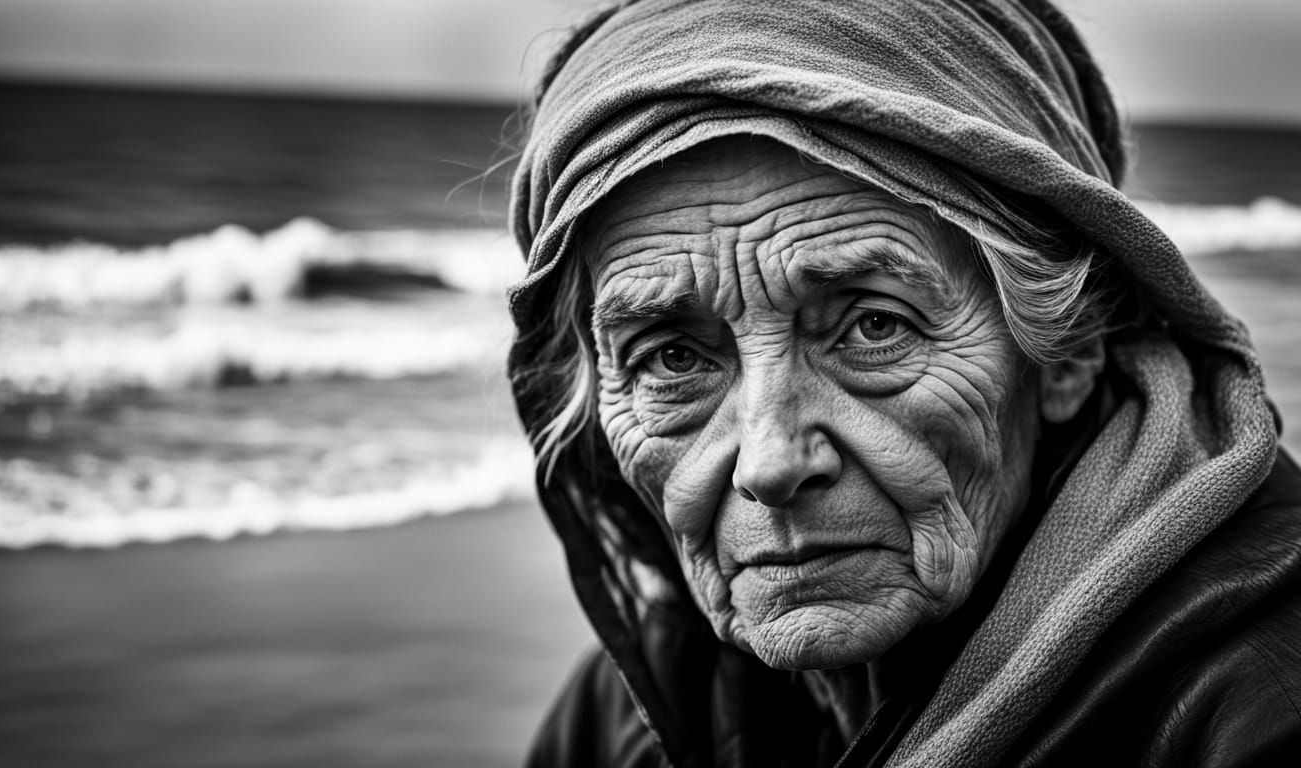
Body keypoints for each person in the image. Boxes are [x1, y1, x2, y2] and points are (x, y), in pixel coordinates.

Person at [505, 1, 1301, 765]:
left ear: (1071, 348)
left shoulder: (1264, 710)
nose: (770, 464)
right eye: (673, 358)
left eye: (874, 326)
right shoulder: (635, 711)